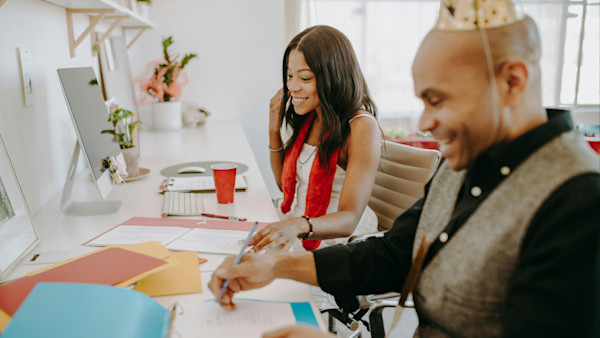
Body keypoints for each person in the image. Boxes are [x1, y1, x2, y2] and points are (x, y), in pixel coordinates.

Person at [209, 4, 600, 338]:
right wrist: (277, 265)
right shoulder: (466, 160)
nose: (426, 123)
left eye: (438, 100)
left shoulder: (578, 200)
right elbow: (395, 256)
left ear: (512, 82)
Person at [251, 25, 381, 252]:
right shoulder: (312, 115)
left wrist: (297, 225)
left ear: (334, 75)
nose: (292, 86)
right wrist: (274, 129)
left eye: (304, 77)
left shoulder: (361, 126)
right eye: (289, 76)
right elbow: (284, 185)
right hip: (299, 225)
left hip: (334, 240)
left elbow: (349, 219)